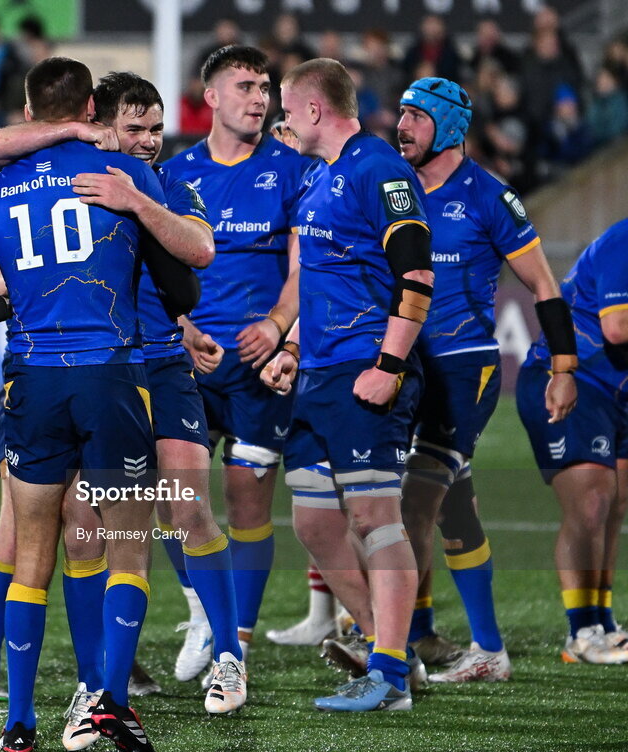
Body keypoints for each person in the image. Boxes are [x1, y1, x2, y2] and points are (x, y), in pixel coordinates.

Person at [0, 56, 197, 752]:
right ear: (90, 109)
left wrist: (16, 302)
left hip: (32, 381)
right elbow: (184, 288)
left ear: (29, 113)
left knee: (32, 555)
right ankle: (111, 702)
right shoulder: (124, 174)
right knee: (128, 548)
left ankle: (19, 719)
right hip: (111, 375)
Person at [0, 69, 248, 732]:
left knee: (186, 506)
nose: (150, 140)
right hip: (90, 372)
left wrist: (137, 204)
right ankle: (91, 682)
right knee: (81, 529)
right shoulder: (64, 178)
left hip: (159, 364)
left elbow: (196, 255)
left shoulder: (164, 185)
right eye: (136, 128)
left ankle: (229, 654)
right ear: (102, 125)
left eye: (157, 128)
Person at [263, 57, 433, 712]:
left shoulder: (378, 169)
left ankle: (389, 676)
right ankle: (386, 645)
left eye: (287, 107)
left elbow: (416, 275)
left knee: (374, 517)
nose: (282, 118)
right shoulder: (320, 177)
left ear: (314, 109)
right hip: (317, 373)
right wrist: (292, 348)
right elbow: (318, 279)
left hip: (364, 367)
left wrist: (389, 366)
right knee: (313, 521)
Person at [392, 77, 576, 682]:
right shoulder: (393, 188)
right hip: (403, 365)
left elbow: (544, 286)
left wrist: (564, 368)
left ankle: (394, 646)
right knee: (453, 509)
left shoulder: (489, 196)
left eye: (416, 116)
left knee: (415, 502)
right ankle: (469, 647)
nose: (402, 126)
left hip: (463, 368)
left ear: (448, 126)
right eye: (401, 114)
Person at [161, 45, 308, 682]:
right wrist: (184, 329)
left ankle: (235, 646)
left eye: (265, 87)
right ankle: (202, 610)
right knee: (169, 497)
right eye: (245, 86)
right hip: (188, 364)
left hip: (259, 366)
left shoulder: (294, 170)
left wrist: (278, 328)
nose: (259, 98)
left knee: (248, 504)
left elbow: (306, 266)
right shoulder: (175, 173)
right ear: (212, 97)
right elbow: (152, 272)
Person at [517, 219, 628, 665]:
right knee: (592, 503)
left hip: (618, 391)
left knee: (615, 506)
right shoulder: (623, 241)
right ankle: (581, 633)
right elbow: (618, 327)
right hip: (572, 380)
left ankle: (605, 623)